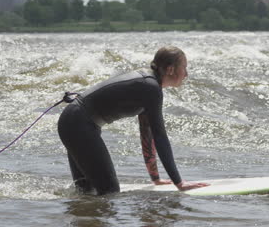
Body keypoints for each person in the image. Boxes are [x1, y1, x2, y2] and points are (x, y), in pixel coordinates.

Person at [57, 46, 209, 195]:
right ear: (170, 69)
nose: (186, 74)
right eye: (184, 67)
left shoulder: (148, 86)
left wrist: (155, 178)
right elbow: (160, 136)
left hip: (74, 122)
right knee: (110, 191)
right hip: (78, 125)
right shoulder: (151, 87)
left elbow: (147, 134)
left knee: (87, 191)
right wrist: (179, 183)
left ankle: (83, 217)